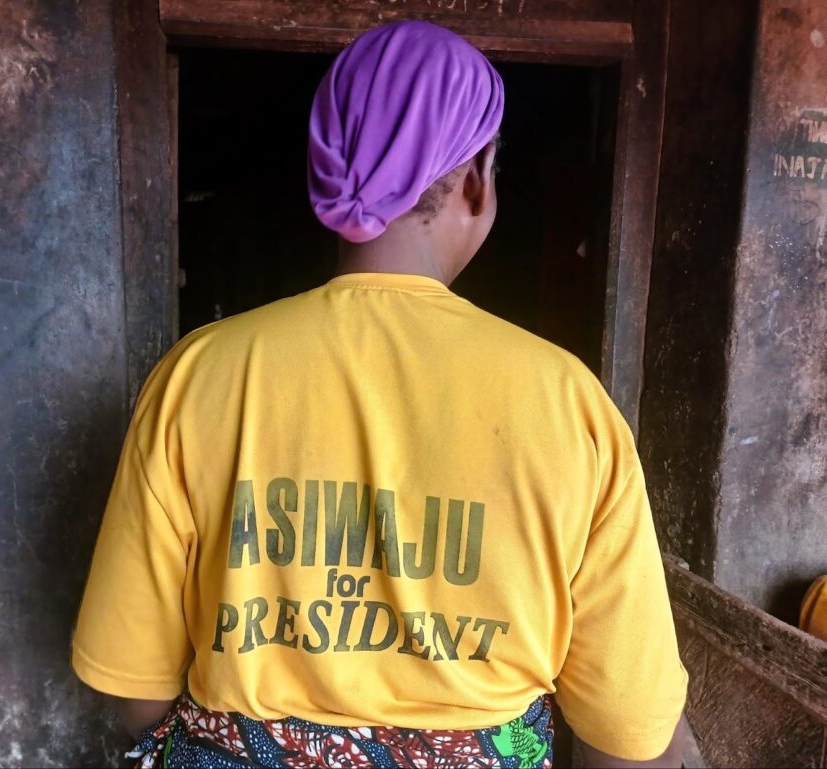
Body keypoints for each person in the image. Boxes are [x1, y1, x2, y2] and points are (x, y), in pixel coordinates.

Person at [71, 20, 688, 769]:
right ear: (476, 180)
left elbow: (136, 686)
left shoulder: (196, 376)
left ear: (325, 168)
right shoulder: (572, 406)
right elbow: (627, 729)